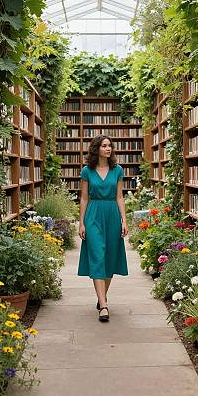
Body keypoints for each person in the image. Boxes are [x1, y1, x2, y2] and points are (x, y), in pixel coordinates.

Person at [78, 134, 129, 322]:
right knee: (97, 255)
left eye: (110, 146)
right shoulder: (87, 171)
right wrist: (81, 222)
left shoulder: (117, 170)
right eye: (104, 146)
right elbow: (84, 198)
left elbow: (120, 197)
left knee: (109, 257)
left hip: (112, 215)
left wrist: (124, 220)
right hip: (93, 215)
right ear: (96, 149)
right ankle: (104, 305)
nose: (108, 149)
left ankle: (101, 298)